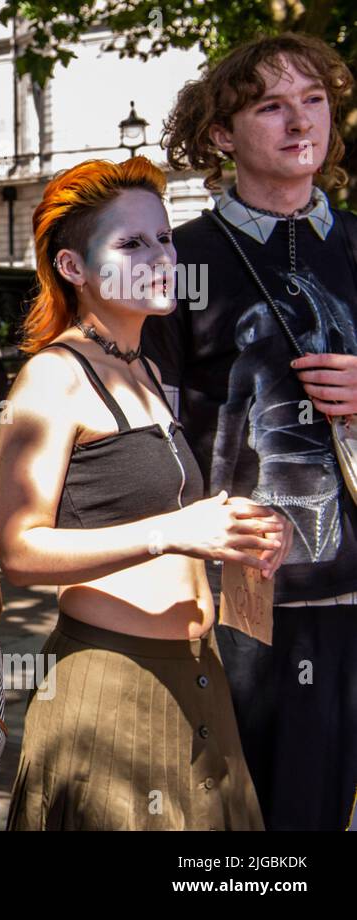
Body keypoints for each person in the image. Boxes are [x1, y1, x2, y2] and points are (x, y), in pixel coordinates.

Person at [0, 157, 285, 830]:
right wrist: (175, 531)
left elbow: (161, 510)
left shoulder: (146, 367)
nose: (160, 256)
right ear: (73, 268)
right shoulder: (52, 377)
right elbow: (19, 550)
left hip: (196, 682)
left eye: (163, 238)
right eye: (132, 244)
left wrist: (245, 534)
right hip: (111, 689)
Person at [145, 32, 357, 830]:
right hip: (237, 601)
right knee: (242, 827)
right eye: (271, 105)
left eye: (314, 100)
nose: (301, 121)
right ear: (220, 136)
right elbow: (144, 428)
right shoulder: (177, 260)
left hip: (353, 593)